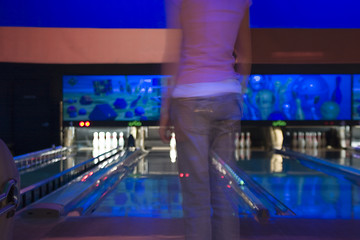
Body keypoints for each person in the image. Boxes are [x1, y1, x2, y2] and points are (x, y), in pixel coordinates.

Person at [160, 0, 252, 239]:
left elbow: (174, 55)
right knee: (225, 193)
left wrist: (165, 109)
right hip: (227, 97)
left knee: (196, 196)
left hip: (190, 98)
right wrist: (237, 92)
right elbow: (245, 57)